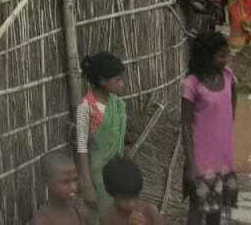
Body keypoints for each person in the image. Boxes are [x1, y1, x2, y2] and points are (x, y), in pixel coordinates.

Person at [182, 31, 238, 224]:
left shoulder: (229, 77)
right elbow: (185, 126)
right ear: (206, 57)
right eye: (221, 55)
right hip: (201, 159)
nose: (227, 59)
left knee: (216, 210)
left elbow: (231, 113)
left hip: (223, 157)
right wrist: (190, 164)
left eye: (227, 54)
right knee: (197, 209)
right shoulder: (192, 84)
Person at [76, 52, 127, 217]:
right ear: (102, 81)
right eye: (117, 80)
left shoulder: (117, 104)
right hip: (98, 178)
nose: (122, 84)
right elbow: (82, 148)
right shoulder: (86, 108)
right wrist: (88, 185)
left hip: (118, 173)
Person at [30, 152, 93, 225]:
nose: (73, 187)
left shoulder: (78, 210)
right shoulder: (42, 220)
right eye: (65, 182)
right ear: (46, 181)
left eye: (75, 179)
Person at [99, 157, 164, 225]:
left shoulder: (150, 212)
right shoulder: (108, 219)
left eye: (135, 196)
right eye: (124, 199)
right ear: (110, 193)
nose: (131, 203)